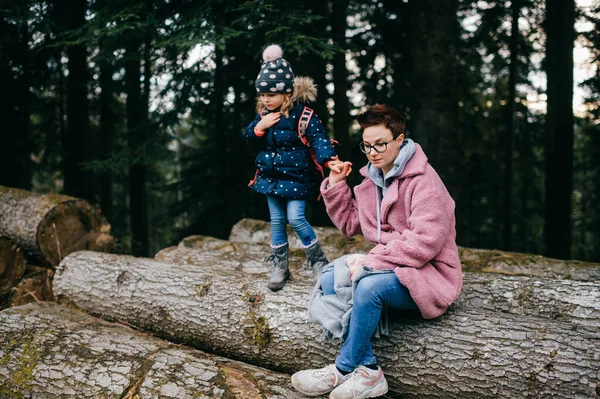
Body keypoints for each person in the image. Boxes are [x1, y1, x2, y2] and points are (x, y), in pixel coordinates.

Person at [291, 104, 463, 399]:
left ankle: (342, 368)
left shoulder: (425, 183)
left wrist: (372, 262)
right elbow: (351, 224)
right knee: (332, 277)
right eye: (367, 145)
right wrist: (336, 185)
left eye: (381, 144)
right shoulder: (373, 179)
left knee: (368, 285)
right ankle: (369, 369)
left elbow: (424, 243)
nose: (372, 152)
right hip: (393, 266)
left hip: (429, 275)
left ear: (399, 140)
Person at [243, 44, 342, 291]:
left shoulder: (304, 116)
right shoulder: (263, 115)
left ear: (286, 93)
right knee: (276, 221)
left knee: (296, 218)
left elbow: (319, 139)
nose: (266, 99)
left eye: (271, 94)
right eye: (262, 94)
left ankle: (319, 262)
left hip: (297, 178)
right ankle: (280, 266)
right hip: (271, 178)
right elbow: (247, 140)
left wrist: (330, 160)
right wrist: (260, 127)